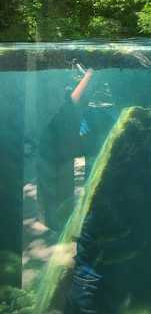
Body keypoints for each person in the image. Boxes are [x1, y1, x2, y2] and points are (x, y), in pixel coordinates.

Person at [36, 68, 94, 231]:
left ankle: (57, 219)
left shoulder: (58, 103)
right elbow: (70, 107)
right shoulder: (56, 106)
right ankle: (57, 220)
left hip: (56, 151)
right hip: (54, 150)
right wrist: (90, 75)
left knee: (60, 185)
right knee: (57, 186)